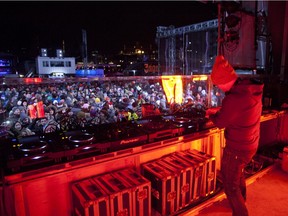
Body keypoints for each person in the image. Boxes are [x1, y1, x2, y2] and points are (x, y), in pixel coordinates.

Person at [205, 55, 264, 216]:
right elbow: (238, 112)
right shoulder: (248, 90)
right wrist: (219, 110)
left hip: (237, 148)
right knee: (239, 175)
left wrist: (210, 115)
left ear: (224, 80)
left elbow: (221, 122)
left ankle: (240, 212)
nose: (219, 88)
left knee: (230, 184)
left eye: (218, 84)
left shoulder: (234, 98)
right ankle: (242, 199)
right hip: (250, 144)